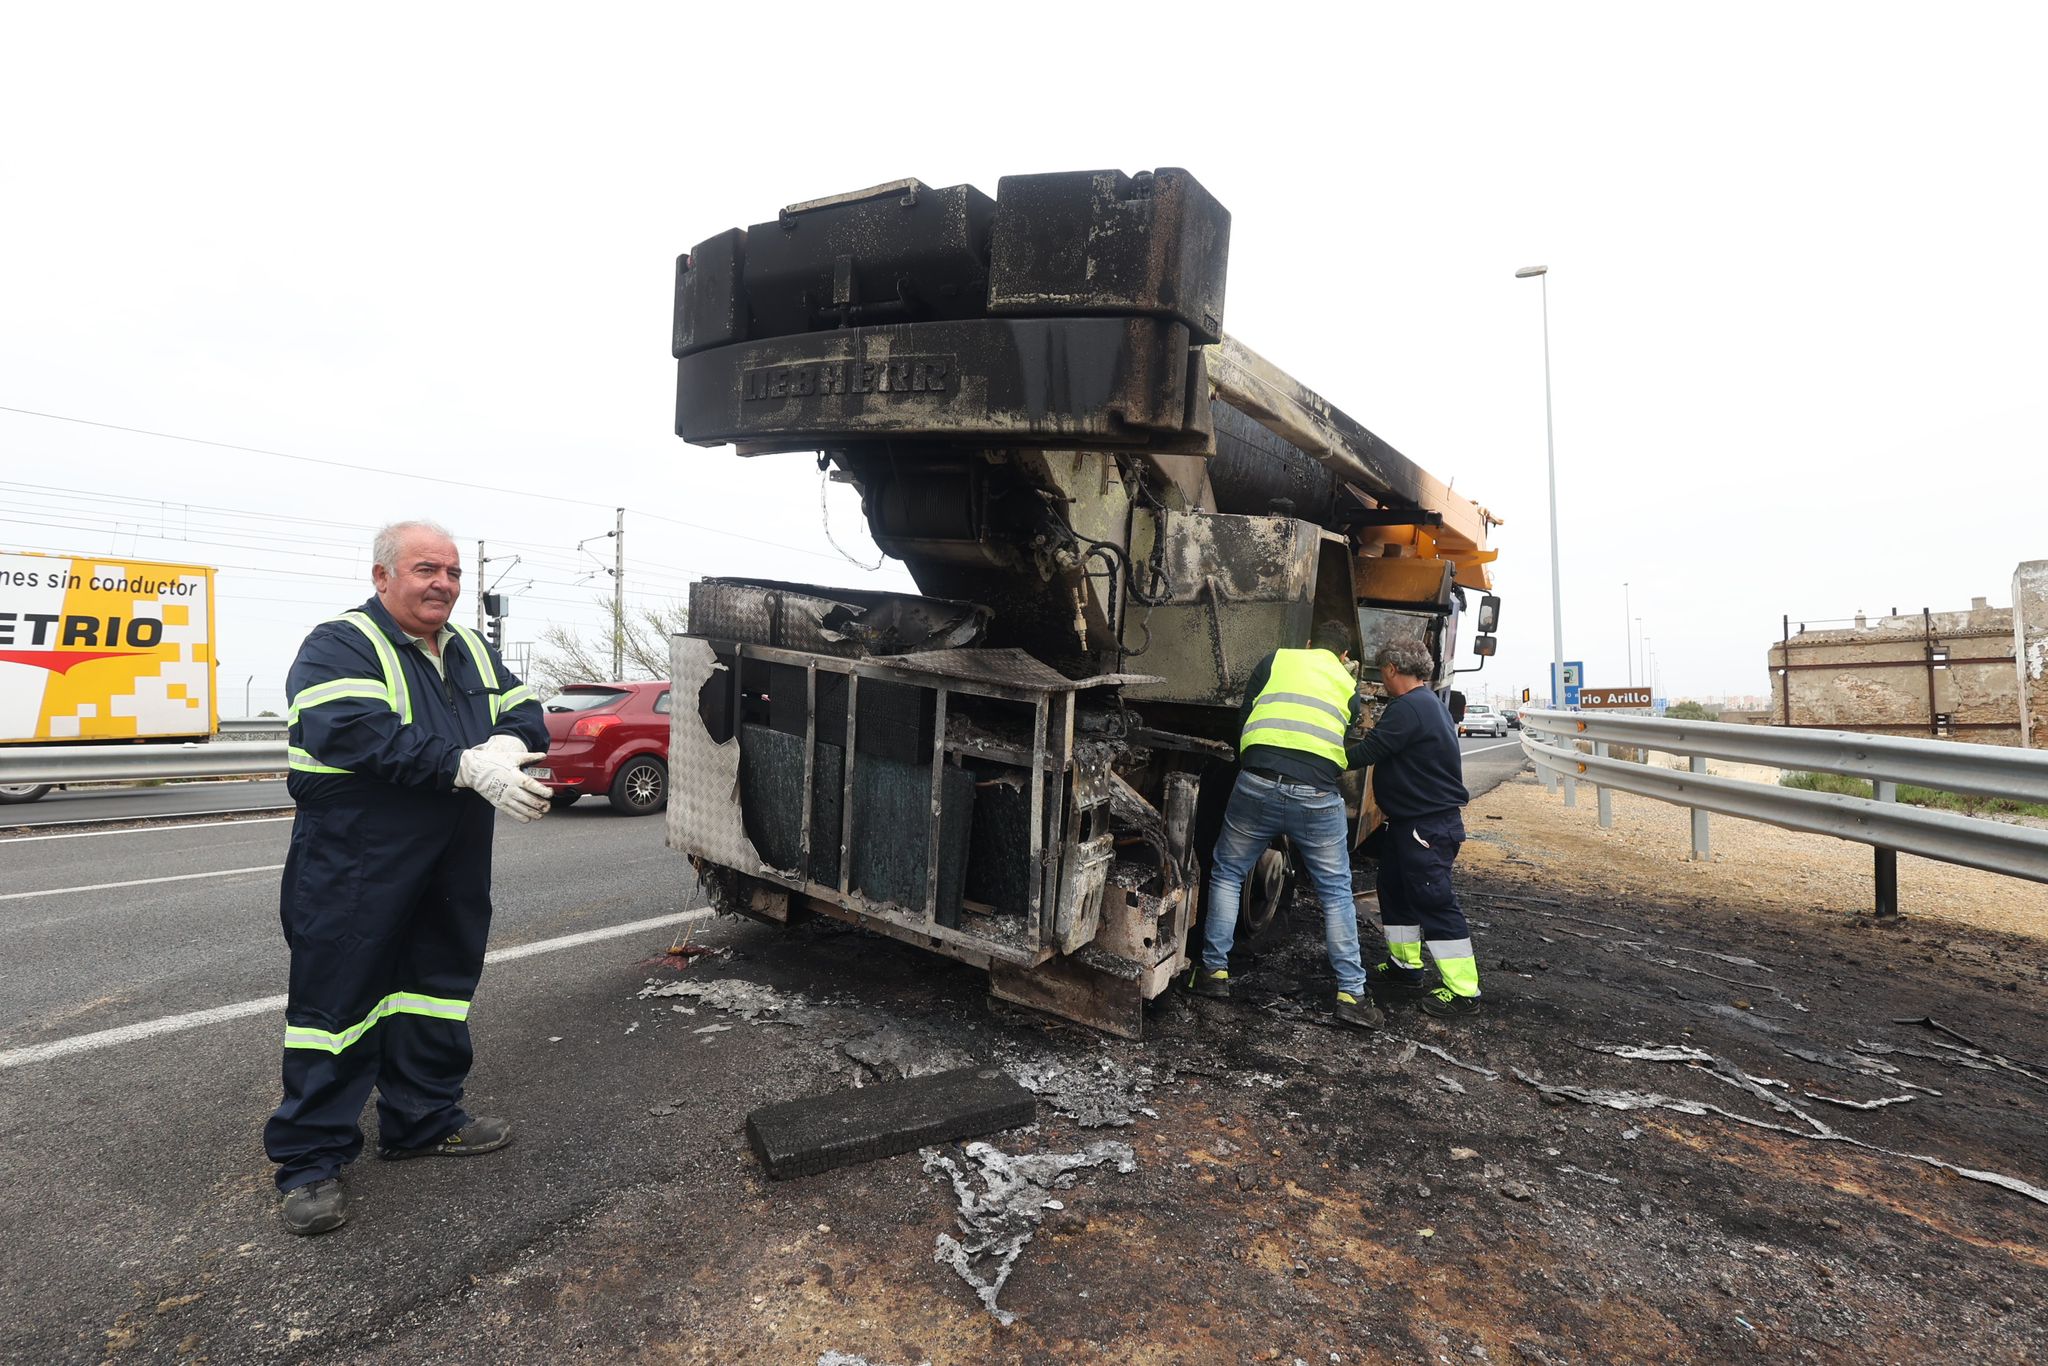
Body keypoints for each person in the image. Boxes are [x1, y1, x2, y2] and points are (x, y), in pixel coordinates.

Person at [266, 519, 552, 1235]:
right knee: (337, 1004)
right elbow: (351, 730)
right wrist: (463, 764)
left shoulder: (469, 650)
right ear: (382, 576)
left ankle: (423, 1118)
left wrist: (510, 741)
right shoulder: (341, 644)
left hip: (451, 851)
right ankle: (310, 1160)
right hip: (357, 856)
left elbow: (523, 708)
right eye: (427, 570)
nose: (444, 585)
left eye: (453, 573)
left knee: (436, 988)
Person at [1188, 621, 1382, 1029]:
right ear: (1344, 656)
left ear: (1308, 644)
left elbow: (1244, 718)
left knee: (1227, 873)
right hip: (1315, 796)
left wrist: (1252, 769)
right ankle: (1352, 995)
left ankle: (1213, 974)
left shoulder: (1276, 659)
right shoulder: (1348, 686)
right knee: (1336, 894)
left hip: (1256, 784)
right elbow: (1343, 741)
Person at [1356, 638, 1480, 1019]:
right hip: (1411, 823)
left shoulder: (1408, 707)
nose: (1383, 680)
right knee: (1394, 890)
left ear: (1392, 669)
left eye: (1382, 673)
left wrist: (1315, 758)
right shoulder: (1428, 704)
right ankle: (1405, 967)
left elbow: (1367, 752)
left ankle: (1463, 990)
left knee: (1433, 900)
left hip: (1426, 825)